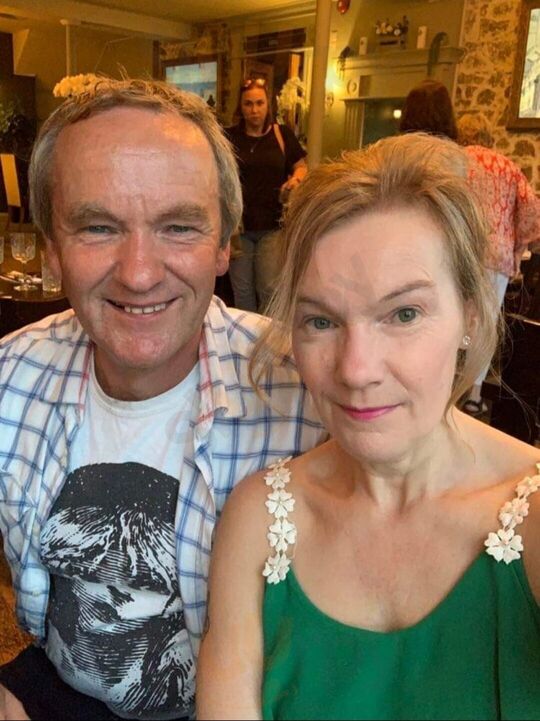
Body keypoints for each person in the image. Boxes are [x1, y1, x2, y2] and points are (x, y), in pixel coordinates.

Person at [0, 78, 325, 721]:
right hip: (57, 689)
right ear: (52, 251)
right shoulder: (11, 375)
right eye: (98, 228)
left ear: (225, 244)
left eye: (178, 227)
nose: (140, 273)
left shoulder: (307, 392)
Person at [197, 133, 540, 720]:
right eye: (321, 321)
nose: (356, 371)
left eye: (403, 313)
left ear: (471, 314)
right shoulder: (259, 519)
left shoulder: (531, 514)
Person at [457, 112, 540, 415]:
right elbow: (533, 213)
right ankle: (473, 394)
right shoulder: (508, 166)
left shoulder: (454, 162)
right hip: (496, 256)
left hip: (459, 249)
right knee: (486, 323)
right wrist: (519, 242)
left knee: (453, 316)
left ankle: (445, 386)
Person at [226, 78, 307, 313]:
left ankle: (267, 335)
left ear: (267, 105)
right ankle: (246, 335)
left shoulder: (282, 135)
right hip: (238, 227)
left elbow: (301, 166)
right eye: (248, 104)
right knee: (242, 292)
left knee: (269, 289)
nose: (254, 110)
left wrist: (295, 180)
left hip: (273, 225)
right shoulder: (229, 137)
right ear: (241, 107)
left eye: (259, 103)